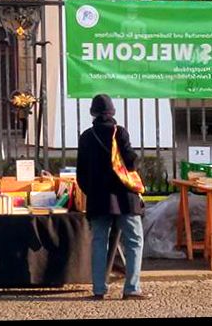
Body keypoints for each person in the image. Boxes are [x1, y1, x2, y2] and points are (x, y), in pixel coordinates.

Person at [75, 93, 147, 301]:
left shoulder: (86, 136)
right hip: (125, 197)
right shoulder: (120, 132)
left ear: (93, 114)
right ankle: (132, 288)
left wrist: (93, 191)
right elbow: (130, 163)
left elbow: (81, 174)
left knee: (99, 242)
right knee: (134, 240)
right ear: (112, 112)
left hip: (99, 199)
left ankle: (98, 289)